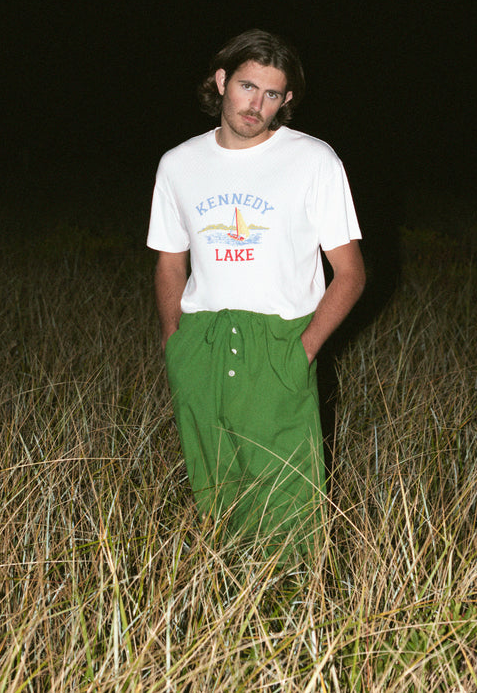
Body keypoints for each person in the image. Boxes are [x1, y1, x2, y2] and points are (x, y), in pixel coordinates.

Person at [147, 29, 365, 557]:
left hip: (278, 340)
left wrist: (304, 348)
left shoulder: (313, 161)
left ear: (286, 100)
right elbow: (170, 261)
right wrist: (175, 339)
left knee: (288, 504)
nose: (255, 105)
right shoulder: (179, 164)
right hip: (202, 339)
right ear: (221, 82)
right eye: (247, 86)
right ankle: (225, 615)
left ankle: (293, 618)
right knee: (213, 491)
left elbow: (351, 273)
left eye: (272, 94)